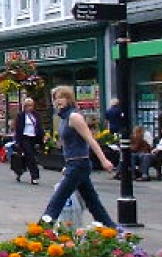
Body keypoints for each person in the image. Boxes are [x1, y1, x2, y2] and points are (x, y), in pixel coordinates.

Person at [40, 85, 117, 228]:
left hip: (79, 164)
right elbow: (69, 146)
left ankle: (41, 231)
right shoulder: (63, 118)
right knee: (93, 203)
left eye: (61, 98)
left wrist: (104, 160)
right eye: (55, 99)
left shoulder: (74, 117)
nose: (58, 101)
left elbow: (90, 140)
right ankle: (112, 229)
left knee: (57, 201)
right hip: (73, 164)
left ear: (69, 99)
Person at [13, 97, 42, 184]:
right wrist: (17, 141)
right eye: (28, 106)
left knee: (27, 158)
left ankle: (19, 172)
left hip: (33, 138)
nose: (30, 108)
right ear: (24, 106)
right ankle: (34, 176)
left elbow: (39, 126)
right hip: (24, 138)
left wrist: (41, 136)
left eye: (31, 106)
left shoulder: (36, 115)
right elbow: (18, 129)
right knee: (30, 156)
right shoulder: (21, 116)